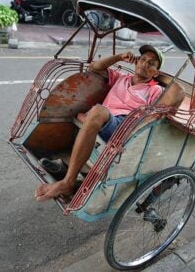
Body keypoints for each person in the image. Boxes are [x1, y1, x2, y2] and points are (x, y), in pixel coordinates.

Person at [34, 45, 185, 202]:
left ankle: (68, 182)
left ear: (156, 72)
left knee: (97, 111)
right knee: (88, 112)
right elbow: (94, 67)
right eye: (143, 59)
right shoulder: (121, 78)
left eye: (151, 63)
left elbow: (167, 105)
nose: (145, 64)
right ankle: (67, 171)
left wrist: (166, 82)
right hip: (104, 118)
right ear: (136, 62)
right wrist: (119, 57)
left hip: (124, 125)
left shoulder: (155, 90)